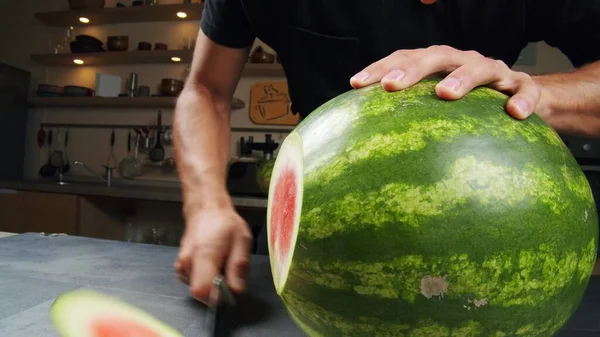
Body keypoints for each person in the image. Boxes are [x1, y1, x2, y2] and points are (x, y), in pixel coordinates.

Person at [172, 0, 600, 304]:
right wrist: (205, 201)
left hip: (490, 227)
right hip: (313, 238)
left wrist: (536, 94)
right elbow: (206, 89)